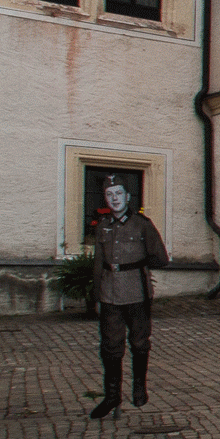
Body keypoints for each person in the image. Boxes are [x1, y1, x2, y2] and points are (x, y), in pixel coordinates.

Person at [89, 178, 168, 418]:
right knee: (110, 346)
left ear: (127, 197)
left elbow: (161, 258)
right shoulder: (103, 226)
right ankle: (112, 396)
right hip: (110, 293)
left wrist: (137, 263)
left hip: (136, 292)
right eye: (109, 194)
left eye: (118, 193)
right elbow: (98, 263)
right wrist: (96, 295)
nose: (114, 199)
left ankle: (139, 388)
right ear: (106, 199)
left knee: (139, 343)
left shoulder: (142, 225)